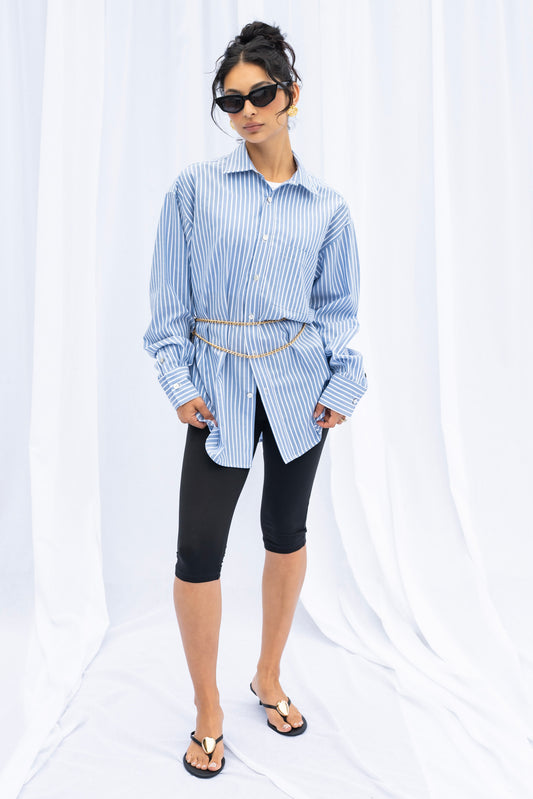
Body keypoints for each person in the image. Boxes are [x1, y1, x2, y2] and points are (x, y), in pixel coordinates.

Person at [143, 20, 368, 778]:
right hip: (217, 392)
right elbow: (167, 305)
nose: (246, 110)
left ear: (291, 96)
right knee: (197, 553)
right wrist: (179, 385)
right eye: (230, 99)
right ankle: (207, 707)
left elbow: (338, 310)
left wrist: (343, 385)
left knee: (286, 531)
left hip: (301, 390)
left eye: (260, 94)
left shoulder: (327, 208)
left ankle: (267, 674)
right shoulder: (194, 190)